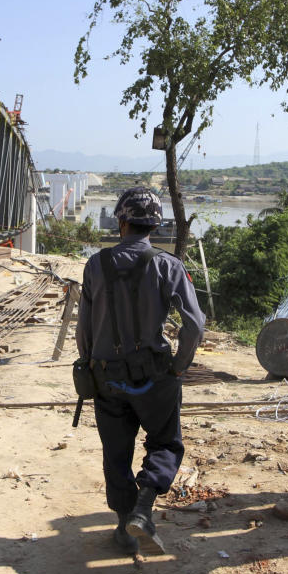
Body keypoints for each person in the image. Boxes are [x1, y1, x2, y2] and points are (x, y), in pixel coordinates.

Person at [75, 186, 206, 555]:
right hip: (154, 377)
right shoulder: (168, 265)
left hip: (106, 377)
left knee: (115, 454)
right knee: (164, 441)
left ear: (121, 221)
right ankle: (144, 507)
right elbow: (194, 325)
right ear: (154, 226)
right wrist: (179, 367)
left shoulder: (95, 265)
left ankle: (124, 528)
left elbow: (83, 328)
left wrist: (89, 367)